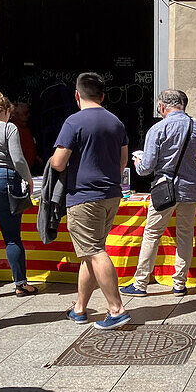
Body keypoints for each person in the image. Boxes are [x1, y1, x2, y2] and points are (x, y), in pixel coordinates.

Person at [50, 72, 131, 330]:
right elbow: (123, 161)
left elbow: (58, 162)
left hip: (84, 196)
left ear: (77, 95)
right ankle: (80, 308)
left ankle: (116, 309)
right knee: (89, 251)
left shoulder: (74, 122)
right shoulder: (116, 122)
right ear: (103, 95)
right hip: (111, 195)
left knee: (94, 251)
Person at [124, 89, 196, 297]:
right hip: (191, 187)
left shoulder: (159, 128)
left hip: (164, 188)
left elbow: (147, 167)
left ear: (162, 106)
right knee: (185, 234)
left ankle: (140, 283)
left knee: (152, 233)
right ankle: (180, 282)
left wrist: (138, 163)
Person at [0, 91, 37, 296]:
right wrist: (28, 178)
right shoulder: (8, 128)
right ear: (3, 110)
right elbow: (18, 159)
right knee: (12, 237)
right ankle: (20, 284)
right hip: (5, 181)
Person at [12, 101, 39, 173]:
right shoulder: (12, 130)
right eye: (25, 113)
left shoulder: (26, 129)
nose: (28, 116)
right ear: (16, 115)